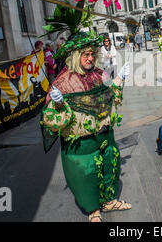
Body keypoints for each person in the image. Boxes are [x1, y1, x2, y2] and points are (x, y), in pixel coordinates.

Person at [40, 30, 131, 223]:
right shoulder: (64, 81)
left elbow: (111, 95)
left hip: (105, 134)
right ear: (75, 56)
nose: (90, 58)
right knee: (86, 173)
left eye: (92, 54)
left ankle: (109, 201)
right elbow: (51, 119)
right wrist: (58, 104)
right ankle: (93, 209)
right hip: (81, 141)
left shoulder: (100, 74)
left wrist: (120, 79)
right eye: (85, 55)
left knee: (110, 165)